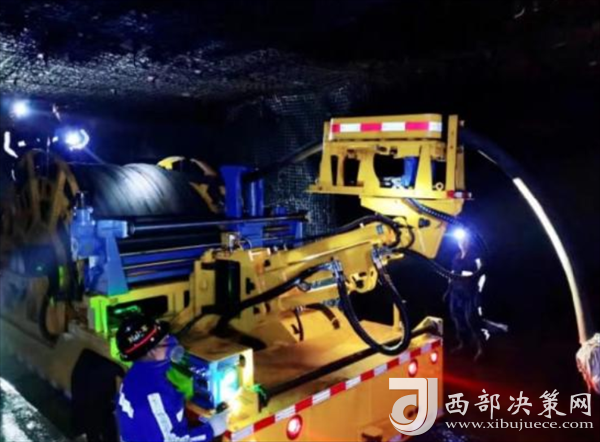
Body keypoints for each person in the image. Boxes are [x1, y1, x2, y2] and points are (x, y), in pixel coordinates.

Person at [116, 314, 229, 442]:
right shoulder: (153, 396)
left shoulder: (137, 374)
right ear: (151, 351)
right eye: (164, 340)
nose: (171, 341)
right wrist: (212, 429)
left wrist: (190, 403)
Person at [445, 230, 507, 361]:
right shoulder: (456, 256)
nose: (462, 243)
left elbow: (482, 271)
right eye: (460, 240)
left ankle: (482, 349)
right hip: (456, 293)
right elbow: (452, 273)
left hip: (470, 293)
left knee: (472, 320)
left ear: (469, 242)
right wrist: (448, 290)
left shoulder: (475, 256)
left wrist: (476, 284)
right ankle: (464, 344)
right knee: (458, 319)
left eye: (465, 240)